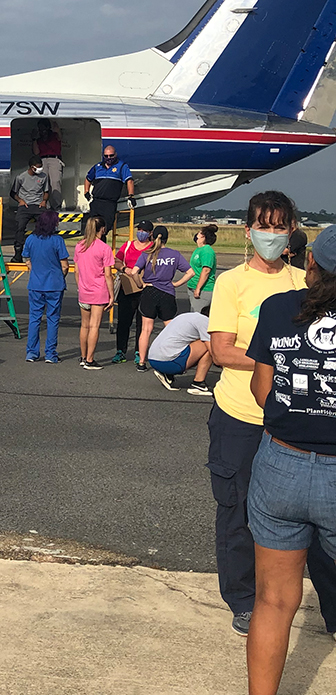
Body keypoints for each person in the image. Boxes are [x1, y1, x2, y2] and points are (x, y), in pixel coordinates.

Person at [206, 192, 336, 639]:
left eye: (281, 226)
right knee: (238, 512)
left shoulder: (308, 281)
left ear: (293, 232)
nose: (271, 234)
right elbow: (221, 350)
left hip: (296, 424)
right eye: (264, 225)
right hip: (241, 415)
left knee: (318, 532)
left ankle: (330, 610)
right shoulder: (231, 282)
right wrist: (278, 361)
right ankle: (243, 600)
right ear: (247, 231)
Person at [244, 224, 336, 695]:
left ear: (311, 264)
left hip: (283, 462)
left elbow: (262, 390)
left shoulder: (279, 308)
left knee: (275, 601)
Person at [128, 226, 194, 373]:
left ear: (152, 237)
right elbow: (190, 272)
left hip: (149, 292)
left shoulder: (146, 254)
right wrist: (176, 284)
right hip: (167, 293)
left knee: (146, 329)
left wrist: (141, 284)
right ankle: (172, 357)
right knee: (171, 328)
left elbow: (134, 272)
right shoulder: (174, 255)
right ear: (166, 238)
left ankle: (142, 362)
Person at [22, 210, 69, 363]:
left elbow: (26, 258)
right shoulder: (57, 240)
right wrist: (60, 276)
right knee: (53, 319)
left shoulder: (31, 239)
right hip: (54, 284)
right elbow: (65, 265)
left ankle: (32, 352)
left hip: (36, 284)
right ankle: (50, 353)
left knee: (34, 318)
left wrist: (32, 268)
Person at [73, 215, 114, 370]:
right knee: (94, 326)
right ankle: (90, 359)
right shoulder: (104, 248)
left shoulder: (79, 246)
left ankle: (83, 356)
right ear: (102, 229)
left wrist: (81, 286)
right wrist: (111, 295)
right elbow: (108, 274)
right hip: (99, 290)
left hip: (84, 290)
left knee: (84, 326)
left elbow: (76, 271)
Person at [112, 220, 154, 364]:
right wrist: (125, 269)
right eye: (139, 229)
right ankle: (120, 350)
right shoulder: (129, 245)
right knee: (124, 321)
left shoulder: (153, 247)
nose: (140, 233)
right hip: (128, 287)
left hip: (145, 288)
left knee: (142, 323)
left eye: (144, 230)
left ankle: (139, 351)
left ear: (150, 234)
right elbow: (117, 260)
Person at [146, 308, 213, 395]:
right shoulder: (205, 321)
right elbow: (213, 351)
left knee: (191, 342)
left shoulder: (187, 316)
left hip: (153, 358)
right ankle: (198, 384)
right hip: (168, 362)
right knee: (209, 346)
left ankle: (167, 374)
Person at [84, 145, 135, 233]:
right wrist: (86, 192)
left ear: (115, 154)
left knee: (104, 229)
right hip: (96, 202)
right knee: (92, 229)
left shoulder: (121, 166)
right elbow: (88, 179)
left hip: (109, 203)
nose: (109, 158)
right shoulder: (98, 167)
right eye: (106, 156)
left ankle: (102, 245)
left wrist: (131, 196)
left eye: (111, 155)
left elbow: (129, 181)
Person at [10, 155, 49, 262]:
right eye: (38, 167)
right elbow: (13, 193)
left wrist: (44, 200)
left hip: (38, 205)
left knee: (47, 224)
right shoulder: (21, 177)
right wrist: (20, 200)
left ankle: (44, 252)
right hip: (25, 205)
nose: (40, 168)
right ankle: (18, 253)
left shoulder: (44, 177)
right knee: (20, 226)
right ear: (32, 167)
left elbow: (46, 192)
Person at [32, 119, 63, 210]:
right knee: (43, 183)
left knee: (55, 182)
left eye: (43, 127)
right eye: (40, 128)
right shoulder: (38, 139)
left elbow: (60, 137)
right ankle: (45, 205)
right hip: (42, 160)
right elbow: (36, 152)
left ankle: (56, 205)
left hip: (54, 159)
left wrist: (57, 130)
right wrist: (34, 139)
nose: (42, 130)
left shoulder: (54, 136)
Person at [189, 224, 218, 313]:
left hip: (204, 290)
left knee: (197, 316)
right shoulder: (198, 250)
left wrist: (198, 288)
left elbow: (206, 270)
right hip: (192, 286)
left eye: (199, 233)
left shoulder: (207, 251)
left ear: (202, 236)